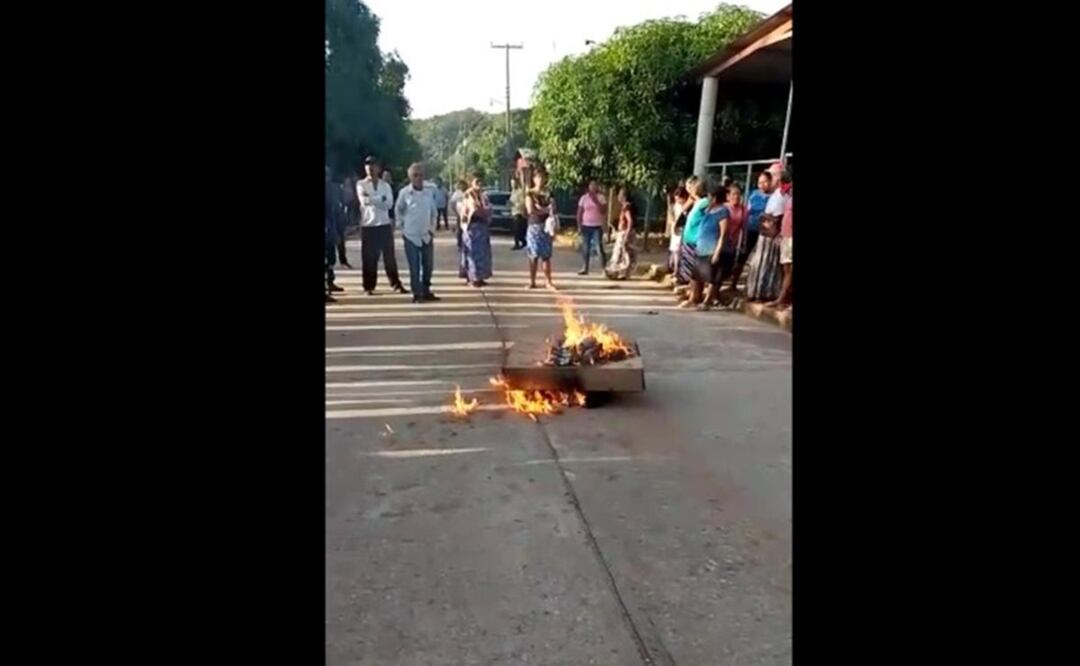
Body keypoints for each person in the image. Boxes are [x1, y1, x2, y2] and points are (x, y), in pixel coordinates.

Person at [356, 156, 407, 295]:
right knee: (369, 258)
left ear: (378, 168)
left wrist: (373, 199)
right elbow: (364, 201)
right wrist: (380, 199)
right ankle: (368, 286)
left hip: (383, 224)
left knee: (389, 257)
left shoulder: (385, 185)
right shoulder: (361, 184)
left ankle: (395, 283)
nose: (370, 168)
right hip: (369, 225)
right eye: (367, 165)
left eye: (373, 165)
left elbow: (389, 204)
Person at [395, 163, 440, 304]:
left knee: (428, 266)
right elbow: (398, 211)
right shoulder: (404, 193)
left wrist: (432, 229)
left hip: (426, 234)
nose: (418, 178)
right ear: (410, 177)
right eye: (415, 175)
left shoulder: (429, 192)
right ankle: (417, 293)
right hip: (410, 235)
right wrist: (402, 227)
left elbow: (434, 212)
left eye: (421, 175)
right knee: (414, 266)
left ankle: (426, 290)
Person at [696, 183, 746, 310]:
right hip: (704, 248)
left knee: (714, 277)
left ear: (715, 197)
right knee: (704, 275)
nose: (707, 198)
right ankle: (704, 298)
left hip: (715, 249)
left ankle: (707, 301)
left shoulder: (723, 212)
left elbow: (723, 234)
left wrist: (717, 252)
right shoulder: (709, 209)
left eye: (709, 196)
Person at [730, 171, 771, 291]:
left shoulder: (773, 197)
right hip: (750, 229)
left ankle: (754, 287)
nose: (762, 185)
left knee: (760, 260)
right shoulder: (753, 194)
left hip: (764, 232)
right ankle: (733, 284)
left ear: (770, 182)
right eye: (760, 182)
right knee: (742, 256)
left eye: (765, 182)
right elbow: (746, 210)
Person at [677, 177, 709, 307]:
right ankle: (693, 294)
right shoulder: (697, 202)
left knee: (695, 271)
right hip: (689, 240)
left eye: (691, 186)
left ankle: (694, 297)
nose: (689, 189)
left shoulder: (704, 202)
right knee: (691, 270)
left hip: (697, 241)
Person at [458, 173, 493, 287]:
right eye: (477, 181)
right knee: (472, 253)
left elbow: (488, 208)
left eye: (481, 181)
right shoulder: (468, 195)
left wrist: (484, 211)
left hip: (482, 227)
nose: (480, 184)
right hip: (472, 227)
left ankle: (480, 277)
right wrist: (483, 211)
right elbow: (474, 209)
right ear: (471, 182)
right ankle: (472, 278)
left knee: (482, 253)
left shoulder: (483, 195)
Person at [524, 166, 555, 290]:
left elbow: (553, 208)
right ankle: (532, 281)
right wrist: (545, 210)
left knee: (546, 255)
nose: (540, 179)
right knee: (533, 255)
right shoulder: (530, 193)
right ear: (534, 179)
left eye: (543, 177)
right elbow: (531, 210)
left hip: (546, 226)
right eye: (538, 177)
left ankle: (548, 281)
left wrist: (543, 210)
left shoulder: (548, 193)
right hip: (534, 226)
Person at [767, 175, 793, 309]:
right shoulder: (789, 197)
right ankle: (783, 298)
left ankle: (782, 299)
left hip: (790, 238)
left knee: (789, 270)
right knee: (786, 269)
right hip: (786, 236)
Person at [605, 187, 637, 280]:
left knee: (621, 252)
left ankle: (616, 271)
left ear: (624, 196)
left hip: (624, 232)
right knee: (626, 252)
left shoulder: (626, 207)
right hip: (626, 231)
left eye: (619, 194)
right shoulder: (627, 206)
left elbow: (630, 221)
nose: (618, 197)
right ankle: (623, 273)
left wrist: (626, 234)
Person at [576, 179, 608, 275]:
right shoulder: (584, 198)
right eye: (591, 185)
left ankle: (604, 268)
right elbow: (580, 212)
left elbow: (603, 211)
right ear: (588, 187)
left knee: (599, 247)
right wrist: (579, 225)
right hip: (586, 225)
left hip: (597, 226)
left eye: (595, 185)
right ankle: (585, 267)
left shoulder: (601, 197)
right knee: (586, 247)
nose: (593, 187)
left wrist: (596, 201)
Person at [325, 166, 343, 302]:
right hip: (328, 227)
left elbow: (334, 210)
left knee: (330, 258)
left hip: (330, 228)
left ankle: (330, 282)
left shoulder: (331, 189)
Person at [668, 186, 690, 277]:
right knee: (675, 251)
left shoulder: (687, 207)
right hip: (676, 230)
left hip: (683, 231)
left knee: (680, 251)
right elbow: (672, 217)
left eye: (679, 199)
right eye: (676, 199)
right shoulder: (676, 206)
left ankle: (678, 270)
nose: (678, 201)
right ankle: (675, 269)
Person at [509, 178, 527, 250]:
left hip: (519, 212)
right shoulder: (513, 192)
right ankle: (522, 242)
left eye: (514, 183)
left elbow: (522, 203)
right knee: (515, 230)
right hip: (513, 212)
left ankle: (518, 243)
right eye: (511, 183)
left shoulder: (520, 192)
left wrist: (515, 204)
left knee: (517, 230)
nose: (512, 185)